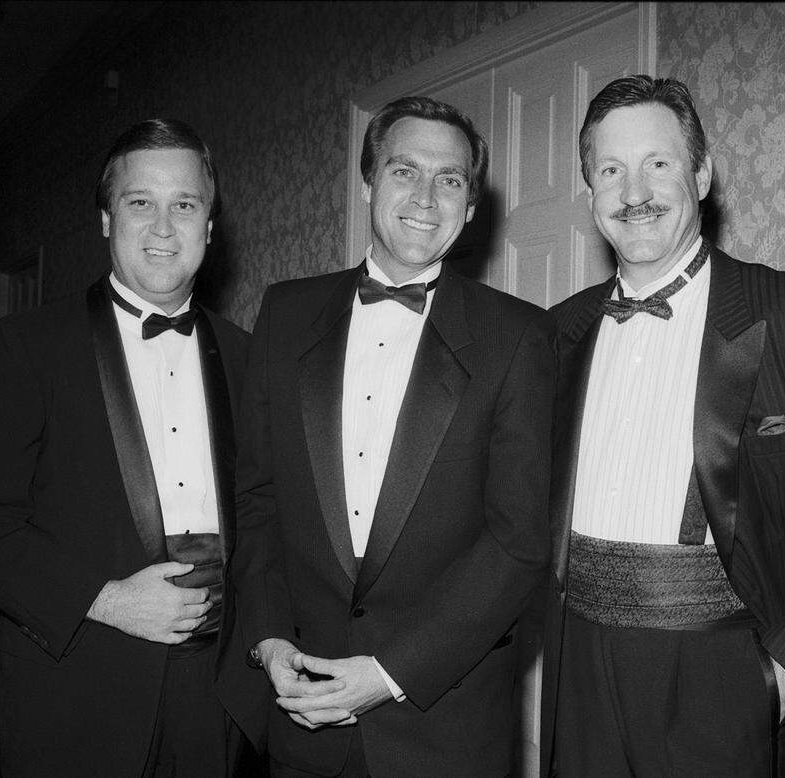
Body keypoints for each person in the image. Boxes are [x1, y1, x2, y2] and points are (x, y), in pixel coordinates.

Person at [540, 76, 785, 777]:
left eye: (658, 163)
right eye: (611, 170)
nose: (634, 192)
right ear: (590, 192)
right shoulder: (555, 334)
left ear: (701, 175)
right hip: (579, 676)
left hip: (728, 671)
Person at [229, 95, 554, 777]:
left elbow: (517, 545)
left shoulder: (520, 336)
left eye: (450, 179)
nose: (426, 198)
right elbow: (258, 501)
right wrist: (267, 639)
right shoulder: (284, 313)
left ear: (471, 206)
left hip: (445, 730)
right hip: (302, 712)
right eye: (405, 170)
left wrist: (389, 673)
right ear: (369, 181)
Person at [0, 119, 254, 777]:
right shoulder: (27, 346)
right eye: (140, 202)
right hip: (77, 691)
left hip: (216, 698)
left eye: (184, 204)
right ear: (107, 219)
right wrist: (105, 599)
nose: (163, 227)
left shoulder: (248, 356)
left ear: (210, 226)